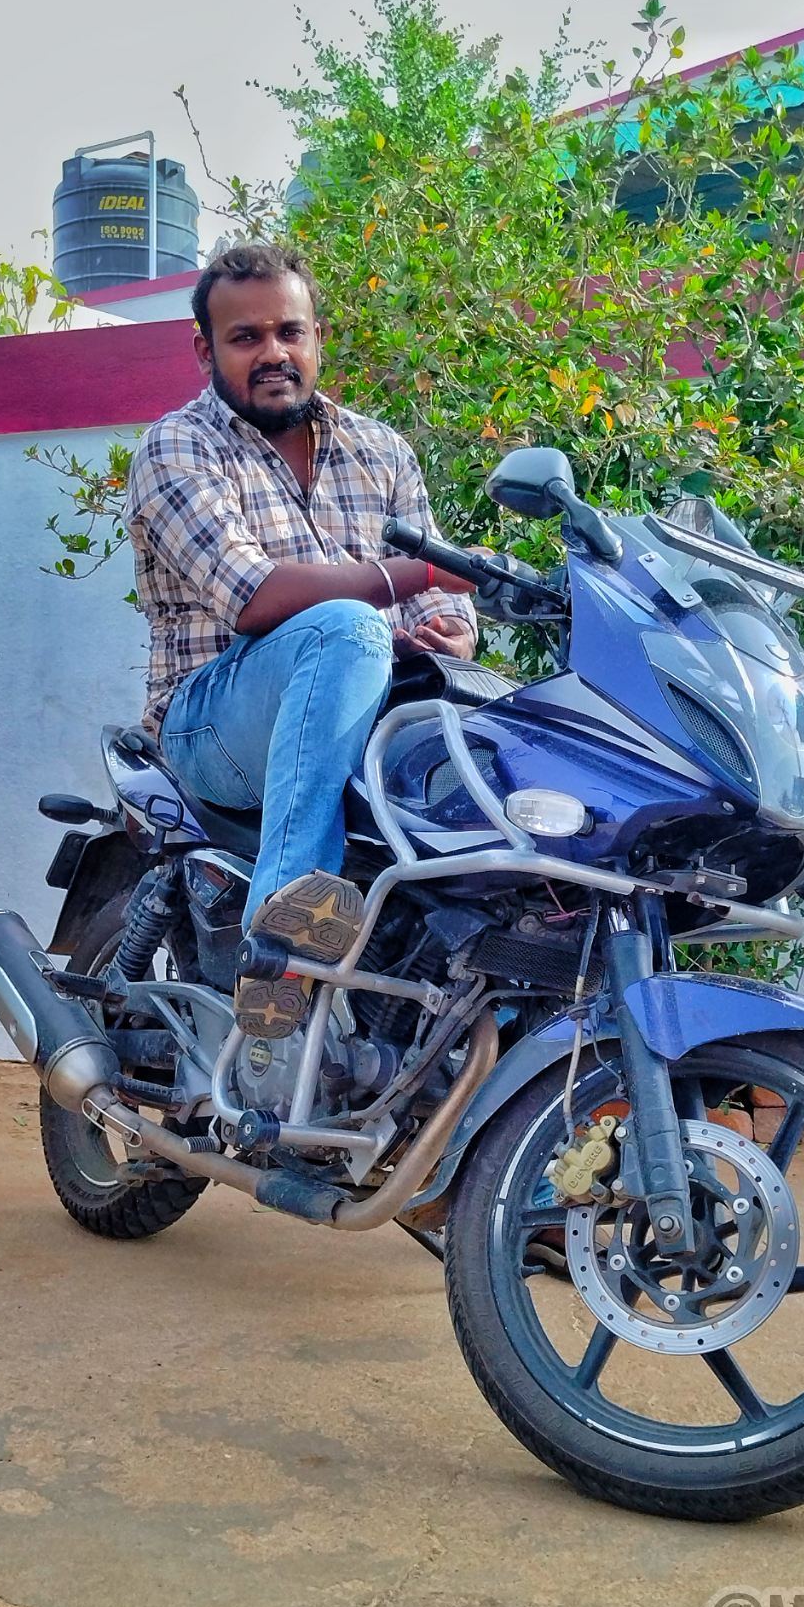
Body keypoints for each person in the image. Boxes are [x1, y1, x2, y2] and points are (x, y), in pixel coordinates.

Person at [125, 242, 478, 1039]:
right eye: (245, 337)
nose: (273, 353)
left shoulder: (382, 451)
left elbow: (439, 598)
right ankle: (278, 950)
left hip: (366, 718)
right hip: (214, 724)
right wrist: (416, 578)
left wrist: (451, 631)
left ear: (318, 336)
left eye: (289, 331)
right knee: (350, 625)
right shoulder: (177, 447)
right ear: (205, 351)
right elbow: (254, 598)